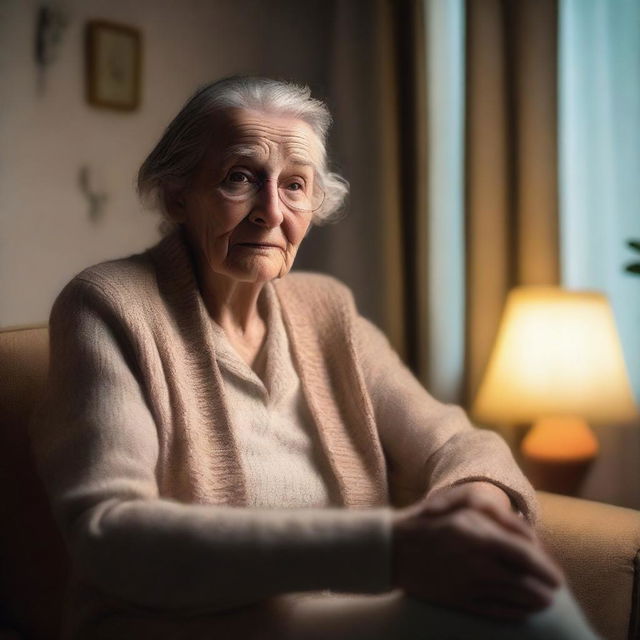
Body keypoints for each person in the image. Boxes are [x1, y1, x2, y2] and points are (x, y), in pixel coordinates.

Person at [29, 76, 599, 639]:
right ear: (179, 194)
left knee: (521, 603)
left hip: (334, 616)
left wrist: (470, 511)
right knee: (524, 615)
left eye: (295, 185)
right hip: (175, 626)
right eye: (240, 178)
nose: (271, 211)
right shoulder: (108, 304)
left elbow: (455, 441)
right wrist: (393, 551)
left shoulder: (326, 308)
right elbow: (109, 532)